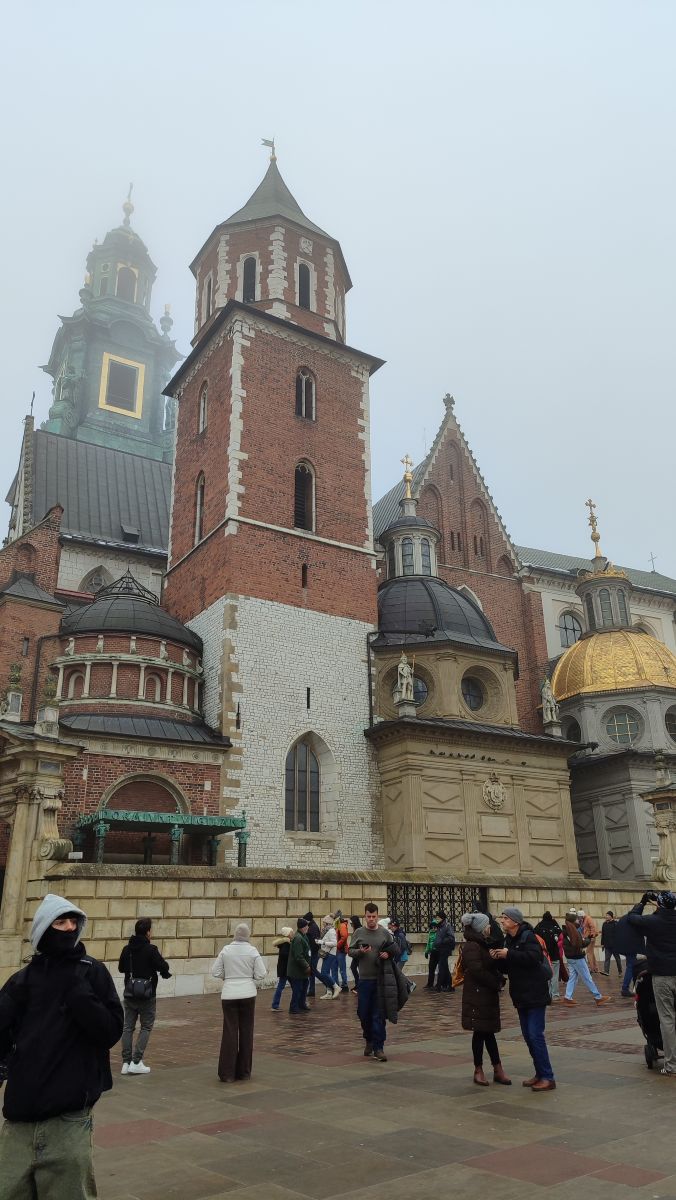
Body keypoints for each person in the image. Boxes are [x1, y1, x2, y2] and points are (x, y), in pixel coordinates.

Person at [0, 893, 123, 1199]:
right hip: (21, 1115)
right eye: (61, 921)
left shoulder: (90, 972)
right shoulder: (23, 980)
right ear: (44, 929)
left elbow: (109, 1031)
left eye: (73, 922)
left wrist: (78, 993)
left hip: (69, 1116)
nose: (69, 928)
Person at [490, 906, 556, 1091]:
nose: (502, 921)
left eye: (505, 918)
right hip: (520, 994)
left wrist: (508, 954)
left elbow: (533, 958)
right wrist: (498, 958)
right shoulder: (508, 940)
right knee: (528, 1036)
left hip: (535, 992)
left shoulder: (529, 936)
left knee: (536, 1035)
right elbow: (507, 968)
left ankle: (548, 1077)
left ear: (515, 921)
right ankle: (539, 1073)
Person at [628, 890, 676, 1076]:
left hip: (662, 976)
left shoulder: (653, 921)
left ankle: (671, 1065)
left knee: (667, 1019)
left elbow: (632, 918)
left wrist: (642, 902)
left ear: (659, 904)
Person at [460, 912, 511, 1087]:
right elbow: (477, 971)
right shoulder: (472, 946)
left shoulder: (483, 944)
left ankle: (497, 1068)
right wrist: (496, 982)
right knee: (480, 1032)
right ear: (482, 928)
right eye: (488, 925)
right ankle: (479, 1069)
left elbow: (488, 967)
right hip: (477, 995)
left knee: (487, 1031)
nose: (490, 928)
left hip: (486, 995)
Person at [211, 923, 266, 1081]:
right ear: (247, 935)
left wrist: (227, 978)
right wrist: (250, 978)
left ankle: (227, 1073)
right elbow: (261, 974)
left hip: (229, 994)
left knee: (229, 1032)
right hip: (248, 993)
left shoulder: (226, 950)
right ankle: (244, 1072)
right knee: (246, 1032)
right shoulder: (252, 951)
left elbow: (215, 971)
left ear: (235, 935)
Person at [118, 916, 171, 1075]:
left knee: (128, 1027)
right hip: (147, 995)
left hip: (130, 993)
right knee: (146, 1026)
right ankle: (136, 1061)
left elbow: (121, 968)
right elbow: (163, 966)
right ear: (147, 932)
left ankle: (126, 1063)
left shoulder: (127, 949)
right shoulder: (151, 949)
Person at [349, 902, 400, 1061]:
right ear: (365, 916)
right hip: (364, 981)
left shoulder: (384, 933)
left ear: (378, 917)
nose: (371, 919)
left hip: (380, 980)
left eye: (374, 917)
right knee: (364, 1013)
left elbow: (396, 950)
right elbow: (350, 951)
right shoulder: (358, 932)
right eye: (368, 916)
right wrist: (360, 951)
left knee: (378, 1015)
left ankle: (379, 1047)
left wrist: (388, 954)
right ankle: (369, 1040)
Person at [561, 909, 609, 1007]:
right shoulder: (572, 931)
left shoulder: (568, 930)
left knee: (573, 978)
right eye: (577, 919)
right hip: (576, 957)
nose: (579, 921)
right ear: (573, 921)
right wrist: (588, 939)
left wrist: (586, 939)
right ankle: (598, 997)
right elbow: (579, 943)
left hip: (571, 957)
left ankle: (568, 997)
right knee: (587, 977)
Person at [615, 906, 646, 997]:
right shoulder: (634, 919)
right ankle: (625, 988)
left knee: (631, 965)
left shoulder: (623, 918)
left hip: (623, 946)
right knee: (631, 966)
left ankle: (631, 986)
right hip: (631, 947)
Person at [534, 911, 563, 1002]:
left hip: (544, 955)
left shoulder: (539, 926)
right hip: (554, 955)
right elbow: (560, 935)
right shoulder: (554, 926)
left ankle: (547, 994)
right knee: (554, 976)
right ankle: (555, 995)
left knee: (545, 975)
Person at [316, 915, 340, 999]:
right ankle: (329, 992)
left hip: (330, 954)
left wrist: (322, 942)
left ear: (327, 923)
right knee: (324, 973)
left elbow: (334, 943)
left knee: (324, 973)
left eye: (324, 922)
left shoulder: (331, 931)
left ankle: (336, 987)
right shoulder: (327, 930)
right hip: (326, 953)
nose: (323, 924)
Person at [432, 910, 456, 993]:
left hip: (445, 949)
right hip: (440, 949)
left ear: (442, 918)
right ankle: (450, 985)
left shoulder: (447, 926)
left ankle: (439, 985)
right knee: (444, 967)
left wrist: (442, 941)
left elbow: (451, 937)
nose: (436, 919)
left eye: (438, 918)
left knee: (442, 967)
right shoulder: (439, 926)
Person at [271, 926, 293, 1010]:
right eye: (291, 932)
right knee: (282, 986)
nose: (292, 933)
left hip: (286, 969)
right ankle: (275, 1005)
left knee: (294, 986)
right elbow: (285, 955)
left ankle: (275, 1005)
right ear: (287, 934)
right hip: (285, 969)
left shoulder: (285, 943)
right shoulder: (286, 944)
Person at [600, 911, 622, 978]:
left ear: (611, 916)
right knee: (607, 959)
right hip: (607, 946)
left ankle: (620, 971)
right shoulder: (604, 924)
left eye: (608, 915)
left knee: (617, 959)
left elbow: (619, 935)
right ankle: (606, 971)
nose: (606, 916)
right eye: (606, 915)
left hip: (615, 946)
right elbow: (603, 935)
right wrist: (602, 944)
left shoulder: (615, 923)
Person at [304, 912, 321, 997]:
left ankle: (329, 983)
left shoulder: (313, 927)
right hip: (313, 952)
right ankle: (311, 990)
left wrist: (311, 952)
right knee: (312, 972)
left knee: (313, 971)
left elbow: (314, 942)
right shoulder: (311, 926)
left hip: (314, 953)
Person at [334, 912, 350, 993]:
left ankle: (345, 985)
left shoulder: (341, 925)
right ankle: (342, 985)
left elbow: (344, 936)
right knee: (340, 968)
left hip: (341, 950)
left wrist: (337, 945)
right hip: (340, 950)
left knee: (342, 968)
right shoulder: (339, 925)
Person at [424, 918, 439, 988]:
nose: (434, 928)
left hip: (438, 952)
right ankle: (430, 984)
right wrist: (426, 952)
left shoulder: (439, 933)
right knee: (431, 969)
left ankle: (439, 983)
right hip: (432, 953)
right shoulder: (430, 932)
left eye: (435, 927)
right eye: (432, 927)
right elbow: (428, 943)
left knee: (439, 969)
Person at [348, 916, 362, 991]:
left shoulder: (359, 929)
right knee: (353, 967)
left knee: (359, 969)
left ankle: (359, 985)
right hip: (355, 952)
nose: (351, 924)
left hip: (359, 952)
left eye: (351, 923)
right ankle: (358, 984)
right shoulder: (356, 929)